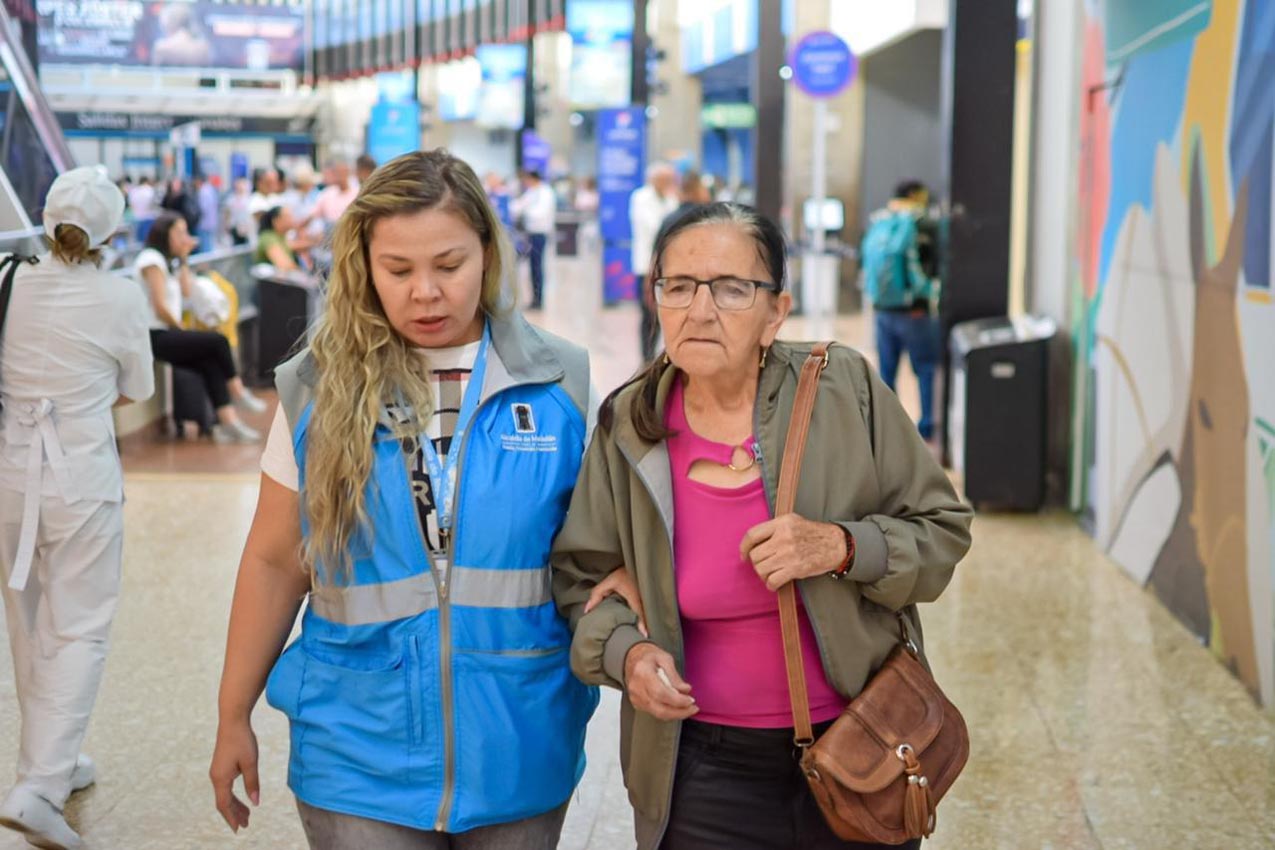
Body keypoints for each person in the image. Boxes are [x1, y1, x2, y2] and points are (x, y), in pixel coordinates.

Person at [209, 149, 640, 849]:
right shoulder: (317, 387)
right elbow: (273, 562)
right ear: (364, 267)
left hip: (519, 743)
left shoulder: (561, 384)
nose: (425, 293)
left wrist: (626, 574)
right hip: (354, 748)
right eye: (398, 270)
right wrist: (234, 713)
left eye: (449, 264)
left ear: (488, 255)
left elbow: (600, 544)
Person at [551, 202, 973, 850]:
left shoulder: (843, 388)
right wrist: (625, 654)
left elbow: (941, 529)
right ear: (654, 297)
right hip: (696, 768)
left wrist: (840, 545)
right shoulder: (628, 425)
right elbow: (580, 579)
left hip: (859, 745)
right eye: (679, 286)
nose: (699, 310)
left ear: (775, 311)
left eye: (730, 289)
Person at [0, 167, 155, 850]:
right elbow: (137, 389)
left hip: (8, 476)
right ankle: (36, 790)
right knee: (81, 628)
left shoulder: (8, 278)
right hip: (80, 481)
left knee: (29, 623)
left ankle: (52, 764)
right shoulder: (120, 298)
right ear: (112, 230)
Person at [136, 213, 264, 442]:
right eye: (180, 233)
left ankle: (229, 423)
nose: (185, 237)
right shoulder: (151, 258)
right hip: (155, 334)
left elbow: (186, 291)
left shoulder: (167, 261)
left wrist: (184, 256)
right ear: (165, 234)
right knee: (217, 341)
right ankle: (238, 391)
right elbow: (159, 306)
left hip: (167, 332)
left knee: (209, 361)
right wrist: (181, 329)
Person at [860, 180, 941, 441]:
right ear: (915, 196)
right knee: (926, 369)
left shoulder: (881, 222)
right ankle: (927, 428)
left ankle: (888, 432)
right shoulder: (921, 224)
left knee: (886, 374)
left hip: (883, 311)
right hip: (914, 312)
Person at [630, 163, 679, 361]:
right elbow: (654, 227)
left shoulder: (671, 198)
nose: (669, 183)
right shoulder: (640, 198)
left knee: (666, 311)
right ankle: (647, 355)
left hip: (667, 266)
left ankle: (664, 353)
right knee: (648, 312)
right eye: (666, 179)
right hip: (645, 265)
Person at [510, 170, 555, 310]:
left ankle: (538, 300)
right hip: (529, 234)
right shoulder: (531, 192)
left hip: (539, 234)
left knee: (537, 267)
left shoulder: (545, 192)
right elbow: (517, 207)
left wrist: (525, 211)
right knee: (531, 267)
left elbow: (540, 213)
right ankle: (534, 298)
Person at [253, 206, 306, 274]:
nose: (292, 219)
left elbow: (295, 245)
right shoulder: (268, 237)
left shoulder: (281, 236)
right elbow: (286, 267)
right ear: (276, 221)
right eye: (288, 216)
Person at [311, 157, 360, 230]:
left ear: (348, 172)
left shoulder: (357, 193)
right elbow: (313, 215)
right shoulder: (327, 193)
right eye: (338, 172)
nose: (340, 176)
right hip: (330, 235)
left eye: (343, 172)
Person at [194, 173, 220, 254]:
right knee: (209, 246)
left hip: (204, 224)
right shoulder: (210, 189)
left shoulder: (203, 191)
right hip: (211, 223)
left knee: (205, 249)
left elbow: (203, 208)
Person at [127, 176, 157, 243]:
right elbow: (153, 204)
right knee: (147, 241)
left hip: (136, 218)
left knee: (137, 241)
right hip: (148, 218)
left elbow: (131, 205)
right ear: (146, 181)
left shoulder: (134, 191)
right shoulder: (150, 190)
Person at [226, 178, 254, 246]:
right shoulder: (231, 199)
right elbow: (228, 213)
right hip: (234, 226)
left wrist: (247, 226)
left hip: (245, 227)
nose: (239, 188)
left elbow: (250, 215)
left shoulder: (249, 199)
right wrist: (227, 224)